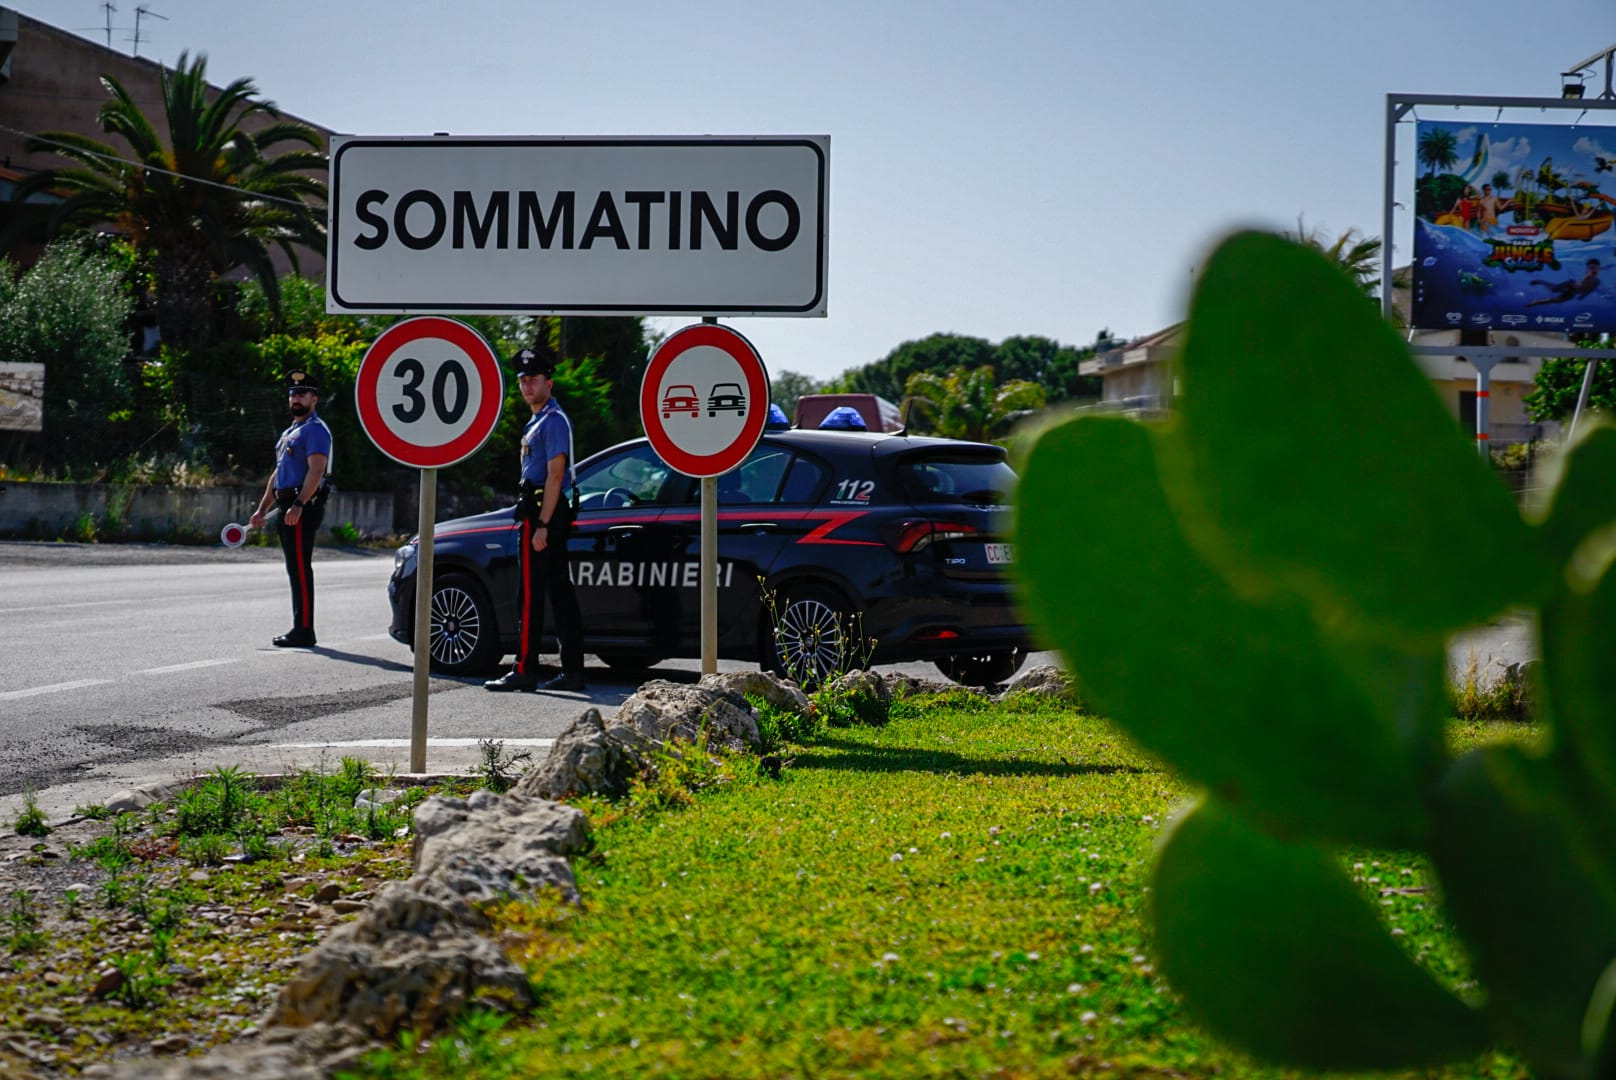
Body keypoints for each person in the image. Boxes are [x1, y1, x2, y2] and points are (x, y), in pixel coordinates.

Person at [485, 347, 587, 692]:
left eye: (534, 380)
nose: (527, 386)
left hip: (543, 511)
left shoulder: (553, 420)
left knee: (529, 595)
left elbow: (555, 475)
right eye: (523, 380)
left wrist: (542, 525)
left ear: (549, 383)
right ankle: (572, 671)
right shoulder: (539, 419)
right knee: (560, 592)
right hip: (543, 509)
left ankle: (524, 669)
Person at [249, 370, 332, 647]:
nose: (296, 398)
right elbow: (278, 474)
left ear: (314, 398)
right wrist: (262, 509)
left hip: (300, 505)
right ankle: (302, 627)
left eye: (302, 394)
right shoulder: (289, 433)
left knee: (299, 567)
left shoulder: (316, 430)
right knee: (294, 567)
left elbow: (316, 470)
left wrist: (299, 504)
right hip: (287, 503)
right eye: (293, 394)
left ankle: (304, 630)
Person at [1527, 258, 1602, 306]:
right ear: (1588, 268)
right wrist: (1587, 276)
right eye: (1591, 267)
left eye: (1595, 267)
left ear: (1598, 268)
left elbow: (1590, 290)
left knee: (1557, 301)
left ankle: (1536, 302)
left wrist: (1583, 296)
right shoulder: (1588, 275)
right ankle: (1539, 281)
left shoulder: (1597, 281)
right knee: (1554, 289)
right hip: (1570, 285)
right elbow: (1581, 283)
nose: (1593, 269)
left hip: (1573, 292)